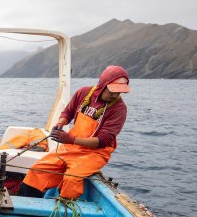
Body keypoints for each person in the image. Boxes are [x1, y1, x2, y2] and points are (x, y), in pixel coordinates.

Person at [22, 65, 130, 200]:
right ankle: (28, 206)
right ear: (103, 85)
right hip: (71, 147)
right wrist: (60, 123)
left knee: (71, 179)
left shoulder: (119, 109)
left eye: (119, 92)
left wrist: (70, 139)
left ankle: (65, 211)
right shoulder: (83, 93)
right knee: (37, 170)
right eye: (112, 91)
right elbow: (68, 112)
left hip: (95, 153)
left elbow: (103, 141)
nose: (115, 95)